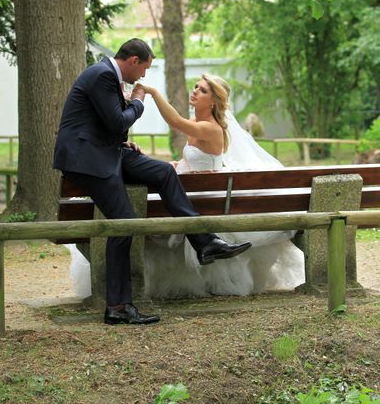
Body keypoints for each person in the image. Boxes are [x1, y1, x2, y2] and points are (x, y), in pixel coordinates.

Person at [53, 39, 251, 325]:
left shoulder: (106, 76)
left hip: (108, 152)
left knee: (164, 172)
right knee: (124, 224)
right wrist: (137, 101)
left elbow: (107, 125)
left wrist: (124, 143)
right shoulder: (102, 75)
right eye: (144, 68)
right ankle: (118, 307)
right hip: (87, 161)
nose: (144, 76)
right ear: (133, 61)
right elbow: (118, 120)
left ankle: (205, 242)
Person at [139, 74, 305, 298]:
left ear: (215, 101)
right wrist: (178, 163)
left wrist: (153, 92)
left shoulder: (211, 128)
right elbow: (199, 159)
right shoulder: (201, 125)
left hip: (202, 199)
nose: (195, 91)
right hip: (198, 194)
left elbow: (176, 122)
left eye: (203, 90)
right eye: (196, 87)